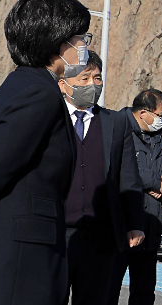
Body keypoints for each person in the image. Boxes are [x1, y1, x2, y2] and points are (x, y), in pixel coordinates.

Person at [0, 0, 90, 305]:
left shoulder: (20, 86)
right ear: (59, 41)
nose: (84, 47)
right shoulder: (38, 94)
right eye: (81, 38)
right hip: (17, 264)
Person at [59, 51, 145, 305]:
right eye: (84, 78)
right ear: (64, 83)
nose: (92, 85)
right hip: (57, 233)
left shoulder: (116, 122)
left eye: (97, 78)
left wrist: (135, 222)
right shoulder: (51, 118)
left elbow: (128, 176)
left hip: (101, 236)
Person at [107, 88, 162, 305]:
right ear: (143, 113)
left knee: (144, 292)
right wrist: (155, 181)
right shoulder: (117, 128)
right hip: (121, 227)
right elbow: (121, 170)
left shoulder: (159, 139)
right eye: (160, 114)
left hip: (150, 226)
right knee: (108, 287)